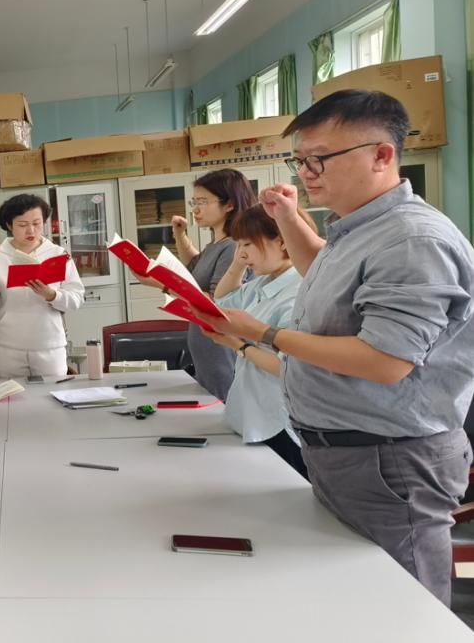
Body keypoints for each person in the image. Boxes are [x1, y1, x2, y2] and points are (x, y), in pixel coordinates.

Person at [194, 89, 474, 605]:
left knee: (405, 608)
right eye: (299, 160)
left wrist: (263, 334)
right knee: (356, 601)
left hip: (390, 460)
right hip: (346, 451)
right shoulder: (359, 228)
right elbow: (321, 272)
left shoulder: (411, 241)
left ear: (381, 155)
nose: (306, 173)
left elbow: (386, 361)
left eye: (320, 159)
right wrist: (287, 218)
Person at [200, 204, 315, 479]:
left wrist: (238, 346)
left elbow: (287, 366)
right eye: (238, 244)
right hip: (254, 411)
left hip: (278, 418)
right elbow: (223, 302)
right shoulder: (265, 282)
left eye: (248, 244)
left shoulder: (298, 291)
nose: (241, 252)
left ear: (283, 242)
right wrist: (238, 262)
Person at [138, 168, 255, 399]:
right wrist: (180, 235)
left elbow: (214, 301)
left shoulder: (233, 246)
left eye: (202, 201)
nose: (195, 209)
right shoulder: (217, 244)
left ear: (229, 204)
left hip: (222, 349)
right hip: (207, 347)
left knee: (224, 406)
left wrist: (162, 285)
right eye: (194, 202)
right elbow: (193, 268)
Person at [0, 193, 84, 378]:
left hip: (49, 344)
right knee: (13, 395)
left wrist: (51, 295)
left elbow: (77, 299)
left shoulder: (58, 254)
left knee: (52, 393)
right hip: (7, 345)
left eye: (37, 223)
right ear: (9, 225)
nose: (31, 230)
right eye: (22, 225)